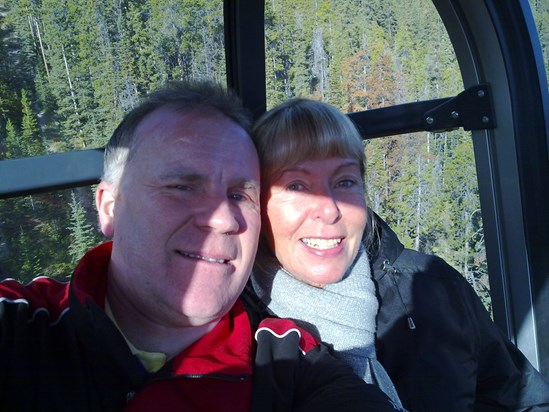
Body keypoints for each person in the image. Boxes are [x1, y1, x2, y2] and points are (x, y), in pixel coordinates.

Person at [0, 82, 400, 412]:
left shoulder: (290, 363)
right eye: (182, 187)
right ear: (109, 207)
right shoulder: (23, 328)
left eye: (240, 195)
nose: (224, 219)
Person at [248, 97, 549, 412]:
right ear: (256, 202)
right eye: (296, 186)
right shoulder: (236, 326)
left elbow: (524, 400)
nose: (329, 209)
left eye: (344, 181)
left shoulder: (431, 288)